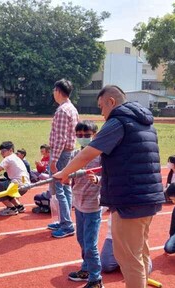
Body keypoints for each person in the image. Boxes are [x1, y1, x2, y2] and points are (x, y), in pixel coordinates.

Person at [54, 85, 165, 288]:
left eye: (101, 107)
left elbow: (89, 152)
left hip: (129, 200)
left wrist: (64, 172)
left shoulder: (118, 121)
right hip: (148, 197)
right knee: (140, 253)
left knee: (128, 259)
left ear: (111, 102)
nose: (101, 113)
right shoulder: (145, 123)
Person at [67, 120, 103, 288]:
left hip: (92, 206)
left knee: (90, 244)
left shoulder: (101, 156)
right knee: (81, 240)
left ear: (95, 135)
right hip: (78, 203)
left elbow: (109, 177)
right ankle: (86, 268)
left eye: (87, 136)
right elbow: (68, 174)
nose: (83, 138)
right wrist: (66, 177)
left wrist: (98, 179)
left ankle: (96, 279)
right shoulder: (75, 155)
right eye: (79, 135)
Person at [47, 79, 79, 238]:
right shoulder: (73, 109)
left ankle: (66, 225)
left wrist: (53, 161)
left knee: (59, 189)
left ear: (58, 91)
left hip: (61, 154)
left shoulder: (62, 111)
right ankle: (64, 221)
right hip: (69, 152)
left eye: (54, 90)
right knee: (65, 187)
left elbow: (60, 138)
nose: (53, 93)